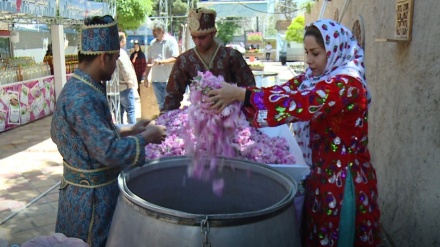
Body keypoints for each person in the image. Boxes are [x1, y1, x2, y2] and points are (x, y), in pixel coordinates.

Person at [207, 19, 380, 246]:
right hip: (321, 176)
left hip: (342, 181)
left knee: (339, 237)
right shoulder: (314, 79)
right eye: (307, 52)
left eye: (315, 53)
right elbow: (281, 91)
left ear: (334, 50)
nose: (309, 60)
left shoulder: (347, 85)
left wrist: (241, 95)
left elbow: (299, 103)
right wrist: (237, 98)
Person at [50, 15, 166, 247]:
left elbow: (92, 134)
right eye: (114, 59)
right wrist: (146, 138)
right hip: (91, 204)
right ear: (104, 57)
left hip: (78, 194)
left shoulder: (79, 86)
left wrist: (131, 128)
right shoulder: (84, 97)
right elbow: (107, 151)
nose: (115, 66)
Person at [161, 8, 256, 112]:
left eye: (202, 37)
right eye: (194, 37)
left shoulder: (231, 56)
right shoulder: (184, 60)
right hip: (198, 121)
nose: (197, 42)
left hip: (231, 118)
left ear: (213, 33)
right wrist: (164, 120)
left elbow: (250, 91)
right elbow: (173, 96)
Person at [144, 21, 179, 112]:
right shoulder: (152, 43)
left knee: (171, 105)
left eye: (155, 31)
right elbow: (149, 61)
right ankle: (163, 123)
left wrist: (161, 62)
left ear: (162, 30)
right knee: (161, 105)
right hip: (156, 80)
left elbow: (175, 58)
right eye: (153, 31)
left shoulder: (171, 41)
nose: (154, 33)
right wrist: (146, 77)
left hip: (168, 79)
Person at [117, 32, 138, 124]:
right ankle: (133, 134)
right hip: (124, 87)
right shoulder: (121, 53)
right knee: (130, 111)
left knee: (118, 114)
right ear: (121, 42)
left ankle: (121, 134)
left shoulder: (110, 53)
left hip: (114, 89)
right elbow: (126, 71)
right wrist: (130, 83)